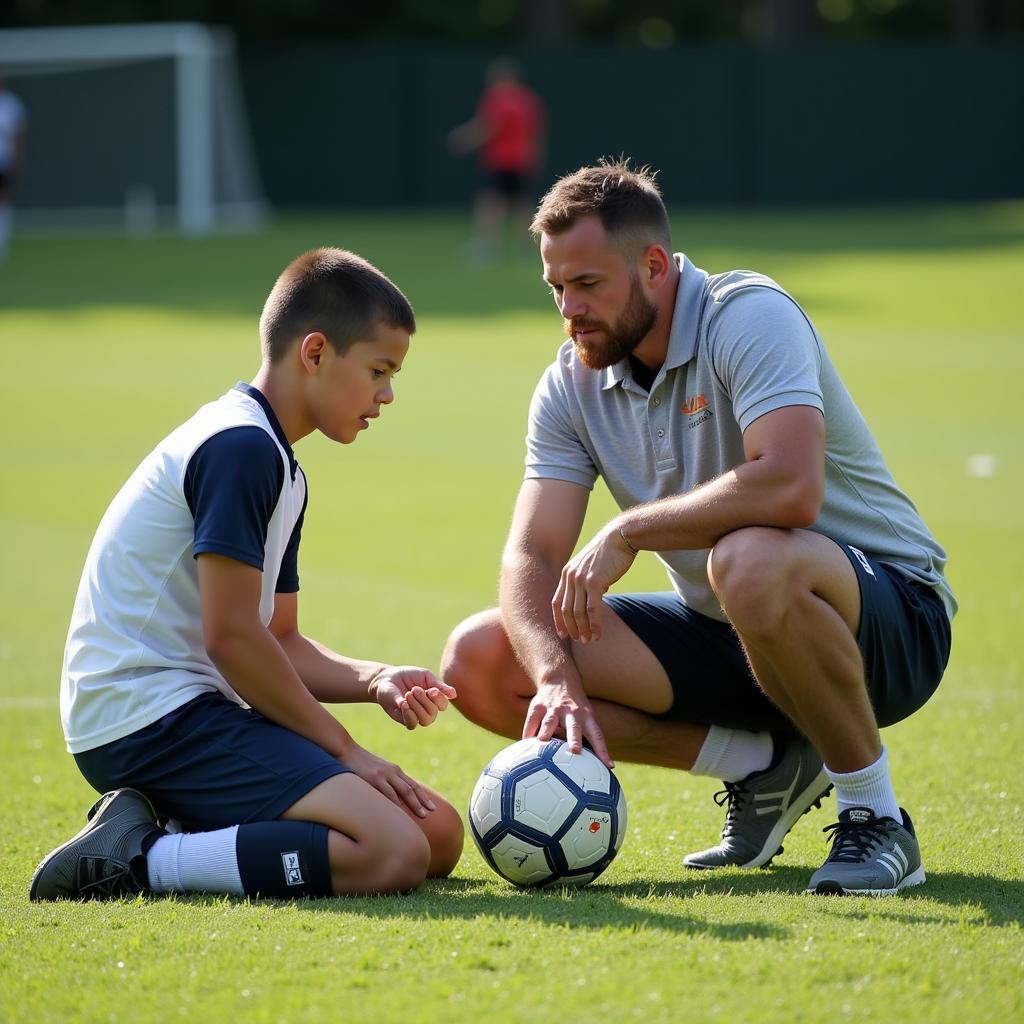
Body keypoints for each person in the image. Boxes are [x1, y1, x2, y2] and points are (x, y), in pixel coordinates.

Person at [442, 159, 954, 896]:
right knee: (484, 663)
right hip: (738, 632)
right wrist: (554, 680)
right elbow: (533, 551)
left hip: (890, 622)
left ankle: (876, 819)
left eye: (587, 285)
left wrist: (627, 532)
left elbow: (789, 484)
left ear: (653, 265)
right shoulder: (569, 383)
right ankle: (762, 767)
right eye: (556, 288)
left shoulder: (746, 313)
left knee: (745, 559)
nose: (569, 310)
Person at [31, 248, 464, 902]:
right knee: (390, 852)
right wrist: (346, 750)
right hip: (144, 718)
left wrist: (376, 679)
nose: (388, 393)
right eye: (378, 370)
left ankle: (176, 823)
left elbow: (278, 638)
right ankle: (139, 858)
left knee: (436, 835)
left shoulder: (280, 463)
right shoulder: (240, 448)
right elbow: (231, 637)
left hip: (193, 712)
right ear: (314, 352)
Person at [448, 57, 546, 263]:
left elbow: (489, 127)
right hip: (521, 160)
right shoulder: (528, 99)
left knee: (490, 200)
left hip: (501, 160)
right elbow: (536, 132)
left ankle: (486, 245)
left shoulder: (498, 98)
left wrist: (465, 139)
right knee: (521, 202)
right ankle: (527, 245)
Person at [0, 77, 27, 262]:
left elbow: (17, 136)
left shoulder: (11, 104)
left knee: (3, 202)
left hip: (4, 161)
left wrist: (17, 160)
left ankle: (2, 242)